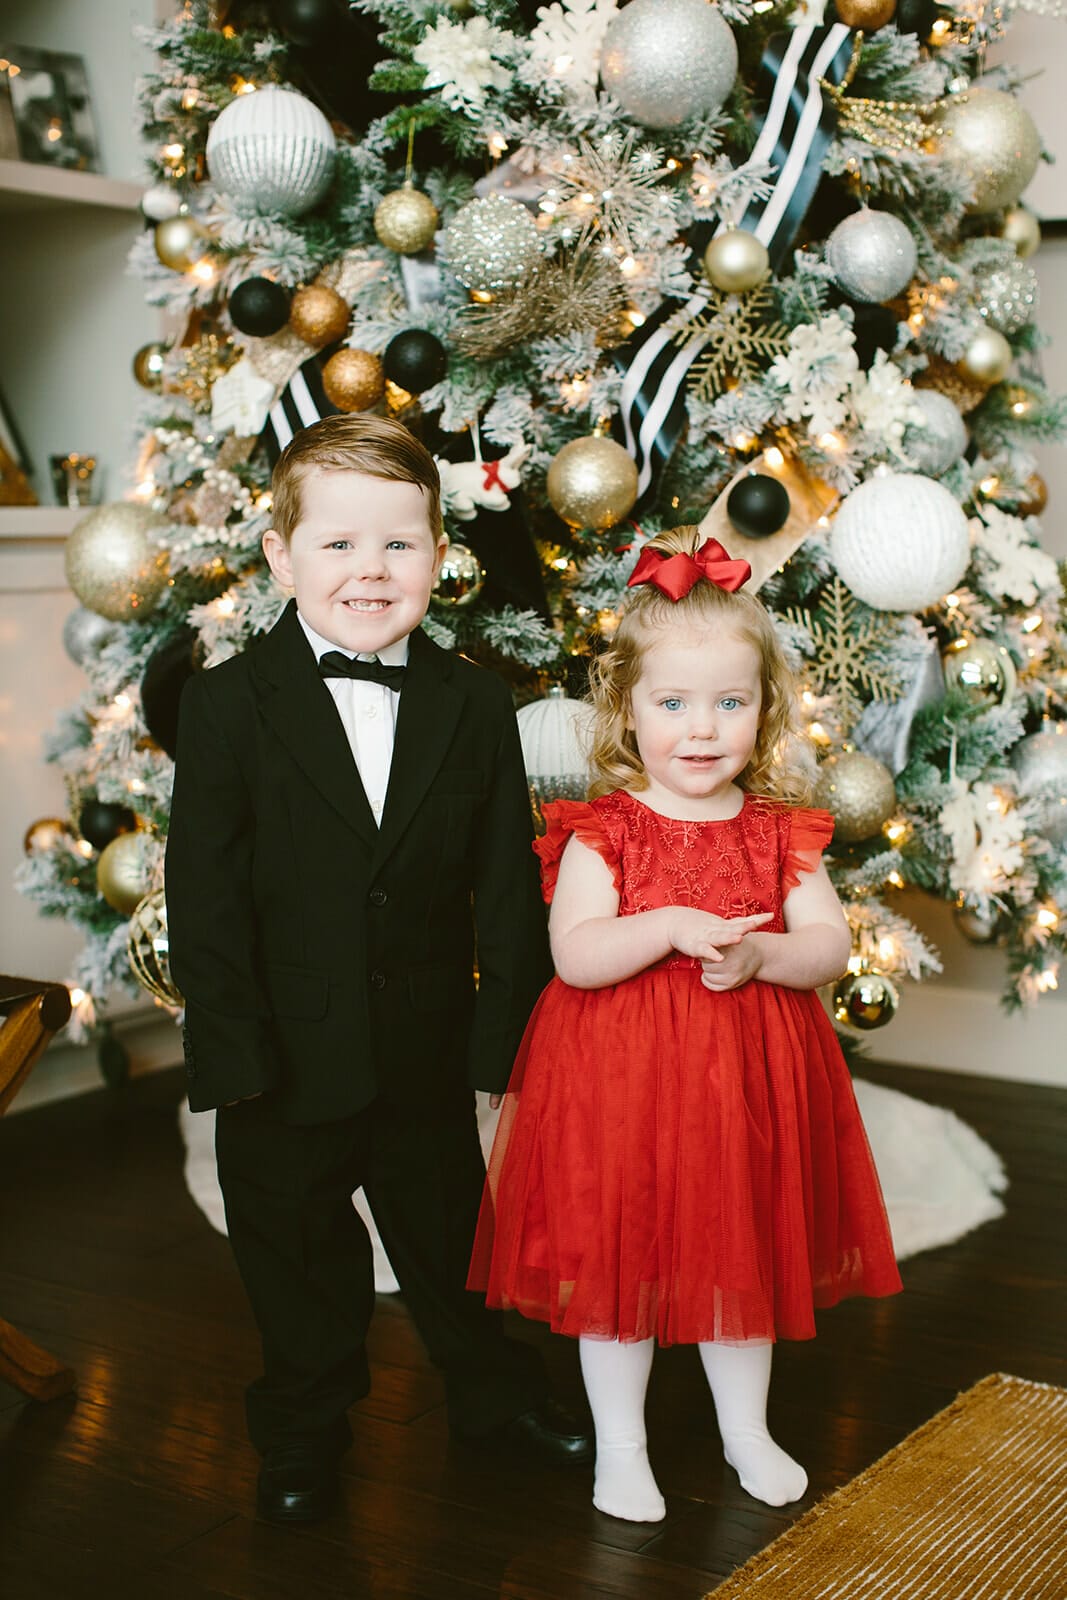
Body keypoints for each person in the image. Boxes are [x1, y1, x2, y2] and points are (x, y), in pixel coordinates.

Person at [165, 413, 592, 1526]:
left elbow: (506, 887)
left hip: (423, 1051)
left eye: (399, 545)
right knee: (298, 1264)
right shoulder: (226, 705)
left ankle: (494, 1399)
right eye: (339, 544)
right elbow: (203, 897)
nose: (370, 570)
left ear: (438, 555)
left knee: (454, 1246)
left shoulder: (474, 702)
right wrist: (231, 1056)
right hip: (281, 1058)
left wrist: (501, 1044)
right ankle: (303, 1431)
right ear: (281, 557)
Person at [468, 526, 902, 1524]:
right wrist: (664, 923)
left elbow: (827, 946)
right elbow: (576, 954)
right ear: (626, 708)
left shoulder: (776, 831)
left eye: (728, 703)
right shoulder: (603, 830)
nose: (700, 729)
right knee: (614, 1259)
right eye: (671, 704)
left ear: (764, 707)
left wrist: (759, 958)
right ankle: (620, 1448)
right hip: (616, 1085)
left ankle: (744, 1430)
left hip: (741, 1087)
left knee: (736, 1250)